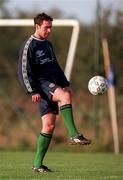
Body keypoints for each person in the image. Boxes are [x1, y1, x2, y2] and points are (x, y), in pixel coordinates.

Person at [18, 12, 91, 173]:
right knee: (65, 96)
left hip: (50, 84)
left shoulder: (48, 44)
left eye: (51, 27)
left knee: (49, 126)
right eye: (46, 27)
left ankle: (37, 165)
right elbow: (23, 71)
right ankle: (73, 134)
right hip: (41, 84)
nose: (49, 30)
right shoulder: (29, 45)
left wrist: (64, 83)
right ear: (37, 26)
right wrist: (32, 90)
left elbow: (55, 66)